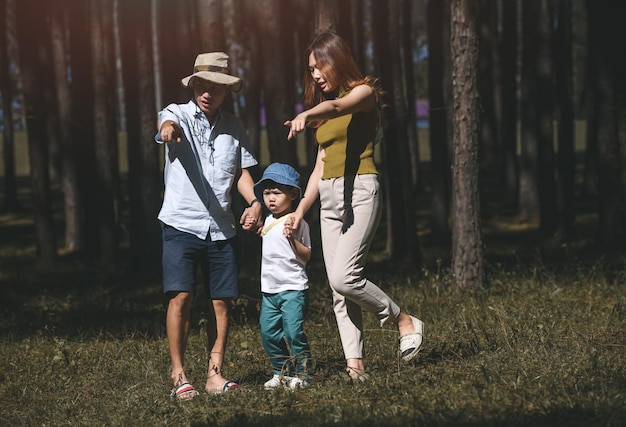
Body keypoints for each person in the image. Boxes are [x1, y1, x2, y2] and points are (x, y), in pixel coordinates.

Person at [283, 32, 424, 381]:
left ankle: (403, 320)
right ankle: (355, 368)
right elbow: (319, 165)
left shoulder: (364, 94)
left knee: (345, 278)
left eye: (320, 66)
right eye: (311, 69)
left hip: (360, 191)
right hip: (329, 198)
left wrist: (306, 114)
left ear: (338, 58)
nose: (315, 75)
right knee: (337, 290)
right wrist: (300, 211)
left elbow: (336, 107)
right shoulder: (326, 108)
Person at [156, 52, 263, 400]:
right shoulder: (178, 113)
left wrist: (254, 201)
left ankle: (214, 375)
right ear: (194, 85)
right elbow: (164, 125)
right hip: (181, 222)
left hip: (222, 228)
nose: (207, 93)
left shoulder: (234, 126)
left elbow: (241, 172)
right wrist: (168, 131)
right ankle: (179, 375)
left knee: (222, 302)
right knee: (181, 296)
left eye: (215, 88)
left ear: (226, 91)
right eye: (201, 85)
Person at [243, 163, 313, 390]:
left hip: (293, 289)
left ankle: (303, 374)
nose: (270, 198)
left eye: (277, 192)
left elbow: (306, 256)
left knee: (293, 332)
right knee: (268, 333)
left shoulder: (297, 221)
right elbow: (267, 237)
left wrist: (292, 238)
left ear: (293, 194)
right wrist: (254, 228)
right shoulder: (271, 220)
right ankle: (281, 372)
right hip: (269, 291)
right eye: (266, 193)